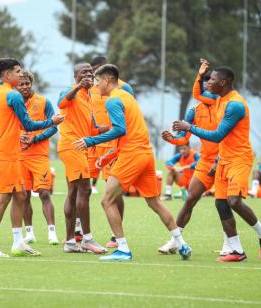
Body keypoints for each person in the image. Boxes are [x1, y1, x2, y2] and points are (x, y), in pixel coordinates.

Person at [73, 64, 192, 261]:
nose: (95, 85)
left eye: (98, 80)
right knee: (154, 202)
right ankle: (181, 243)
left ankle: (123, 249)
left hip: (132, 156)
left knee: (106, 200)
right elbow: (131, 132)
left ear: (108, 80)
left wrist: (89, 141)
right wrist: (111, 154)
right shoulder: (126, 96)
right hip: (145, 154)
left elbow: (120, 130)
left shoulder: (113, 101)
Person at [173, 65, 261, 262]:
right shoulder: (219, 99)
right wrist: (199, 75)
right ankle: (236, 251)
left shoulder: (235, 105)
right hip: (224, 159)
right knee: (221, 204)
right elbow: (197, 93)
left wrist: (189, 127)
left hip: (240, 159)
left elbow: (218, 135)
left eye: (212, 79)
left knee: (234, 201)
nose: (208, 82)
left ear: (223, 82)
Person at [0, 58, 64, 257]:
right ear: (7, 74)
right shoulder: (13, 96)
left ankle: (18, 242)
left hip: (6, 153)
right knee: (4, 197)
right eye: (17, 71)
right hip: (6, 155)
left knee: (20, 195)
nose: (21, 74)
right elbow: (28, 124)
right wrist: (51, 121)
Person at [158, 59, 230, 255]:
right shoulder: (193, 111)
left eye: (209, 82)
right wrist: (172, 139)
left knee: (223, 203)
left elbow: (226, 137)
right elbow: (184, 139)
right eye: (205, 82)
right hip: (205, 161)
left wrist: (200, 75)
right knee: (190, 199)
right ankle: (175, 241)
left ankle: (229, 244)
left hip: (224, 160)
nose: (207, 86)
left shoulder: (220, 104)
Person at [57, 62, 108, 254]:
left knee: (73, 192)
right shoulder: (70, 90)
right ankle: (87, 239)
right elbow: (61, 102)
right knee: (85, 189)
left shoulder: (89, 97)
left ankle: (70, 242)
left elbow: (94, 128)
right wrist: (78, 87)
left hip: (81, 147)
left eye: (90, 72)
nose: (88, 74)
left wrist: (115, 126)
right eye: (83, 72)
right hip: (71, 146)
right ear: (75, 76)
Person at [88, 55, 134, 248]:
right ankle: (78, 234)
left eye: (98, 72)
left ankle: (117, 236)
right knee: (83, 188)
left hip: (113, 143)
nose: (95, 77)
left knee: (112, 190)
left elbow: (130, 115)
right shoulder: (90, 88)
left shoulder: (124, 88)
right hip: (93, 144)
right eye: (93, 73)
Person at [16, 69, 59, 245]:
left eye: (27, 83)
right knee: (23, 195)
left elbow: (54, 126)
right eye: (21, 84)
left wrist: (36, 138)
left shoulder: (43, 102)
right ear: (16, 85)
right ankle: (29, 233)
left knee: (44, 193)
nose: (25, 87)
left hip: (39, 156)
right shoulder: (13, 102)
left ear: (31, 83)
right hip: (19, 156)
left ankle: (52, 232)